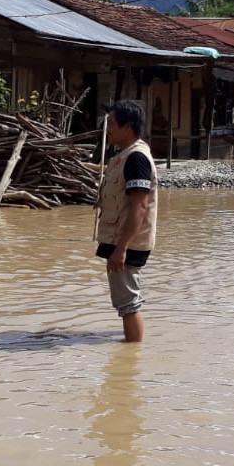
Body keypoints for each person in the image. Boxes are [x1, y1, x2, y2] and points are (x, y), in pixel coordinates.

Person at [94, 99, 158, 343]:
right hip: (120, 238)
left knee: (128, 303)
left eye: (111, 123)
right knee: (125, 301)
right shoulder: (124, 156)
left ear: (128, 127)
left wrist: (122, 248)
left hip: (127, 241)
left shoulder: (136, 159)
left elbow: (139, 205)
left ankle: (131, 357)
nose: (107, 128)